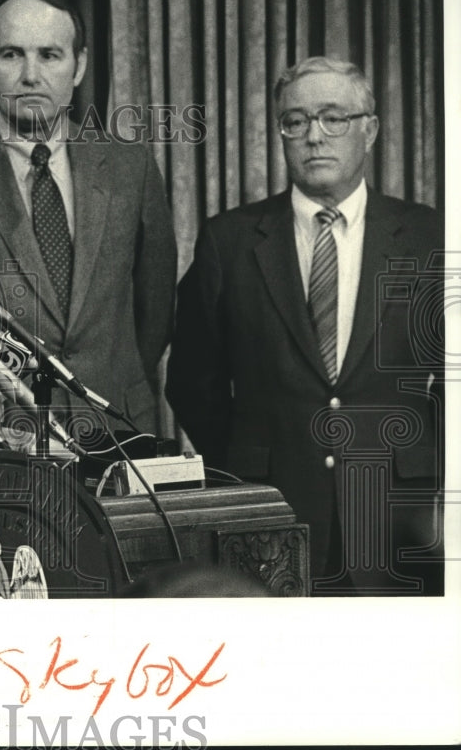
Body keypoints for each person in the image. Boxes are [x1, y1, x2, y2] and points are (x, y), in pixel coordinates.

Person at [167, 56, 444, 594]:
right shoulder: (230, 240)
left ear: (370, 129)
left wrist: (424, 451)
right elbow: (191, 381)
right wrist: (244, 465)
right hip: (270, 513)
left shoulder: (427, 234)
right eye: (295, 121)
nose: (314, 136)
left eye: (333, 117)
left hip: (399, 515)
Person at [0, 0, 176, 432]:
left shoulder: (132, 167)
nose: (31, 75)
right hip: (6, 437)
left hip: (122, 425)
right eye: (12, 55)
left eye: (50, 55)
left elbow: (156, 308)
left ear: (80, 64)